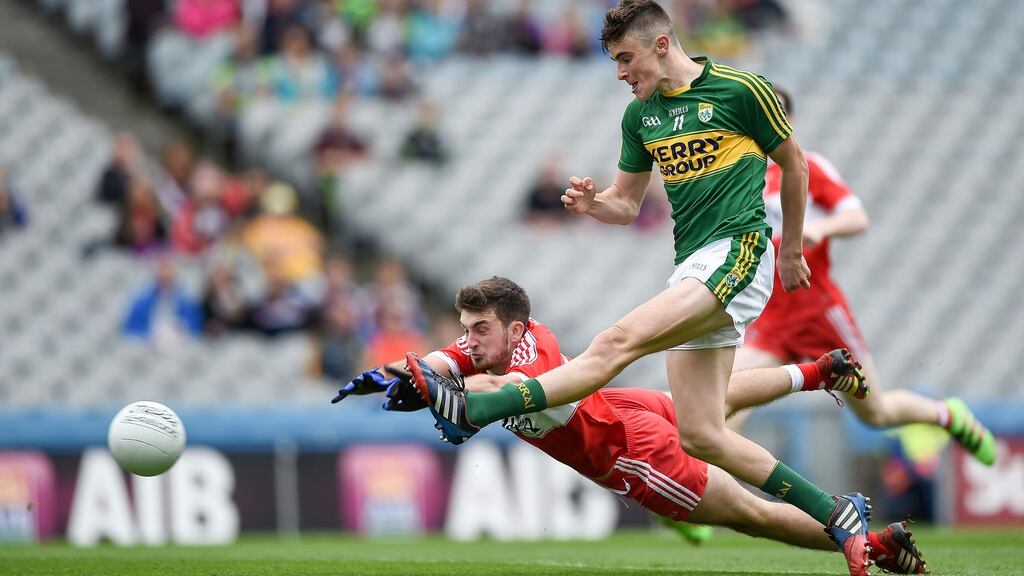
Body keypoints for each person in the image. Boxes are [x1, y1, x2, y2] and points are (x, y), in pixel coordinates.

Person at [411, 3, 875, 575]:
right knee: (701, 433)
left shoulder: (740, 89)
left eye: (625, 58)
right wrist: (593, 204)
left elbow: (795, 165)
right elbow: (627, 204)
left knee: (614, 343)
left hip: (740, 250)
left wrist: (794, 248)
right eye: (614, 62)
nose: (620, 73)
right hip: (693, 265)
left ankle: (479, 409)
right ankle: (837, 511)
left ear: (660, 45)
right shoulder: (640, 117)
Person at [331, 277, 926, 574]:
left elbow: (483, 391)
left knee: (753, 515)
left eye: (478, 329)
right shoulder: (501, 344)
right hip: (628, 405)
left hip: (630, 453)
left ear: (513, 329)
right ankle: (816, 372)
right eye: (465, 328)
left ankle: (866, 542)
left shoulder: (522, 364)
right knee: (710, 399)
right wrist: (389, 375)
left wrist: (448, 400)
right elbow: (438, 364)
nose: (467, 340)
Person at [728, 88, 996, 466]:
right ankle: (695, 496)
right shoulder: (740, 176)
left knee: (876, 413)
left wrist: (822, 230)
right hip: (773, 317)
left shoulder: (806, 166)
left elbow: (857, 218)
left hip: (817, 310)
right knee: (726, 398)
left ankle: (947, 415)